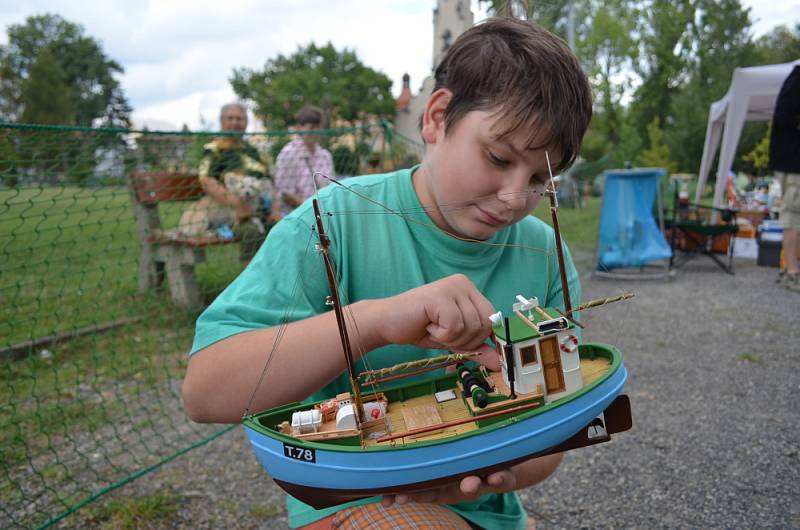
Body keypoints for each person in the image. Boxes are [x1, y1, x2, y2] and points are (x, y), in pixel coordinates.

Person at [183, 17, 592, 530]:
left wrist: (506, 470)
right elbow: (204, 392)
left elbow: (555, 430)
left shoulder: (543, 252)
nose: (515, 198)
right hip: (355, 502)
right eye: (497, 157)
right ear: (438, 118)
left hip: (483, 512)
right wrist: (370, 323)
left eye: (538, 179)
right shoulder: (331, 222)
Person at [197, 102, 272, 266]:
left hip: (260, 209)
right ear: (222, 122)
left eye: (239, 119)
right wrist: (236, 203)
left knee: (285, 226)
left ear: (245, 123)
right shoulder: (213, 149)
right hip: (230, 213)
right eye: (230, 118)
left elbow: (270, 181)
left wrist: (276, 210)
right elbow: (206, 180)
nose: (235, 123)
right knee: (251, 231)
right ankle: (252, 283)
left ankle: (281, 277)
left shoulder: (255, 151)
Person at [272, 105, 335, 220]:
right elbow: (285, 194)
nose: (315, 132)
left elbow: (331, 187)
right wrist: (314, 209)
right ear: (299, 128)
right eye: (311, 127)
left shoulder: (325, 155)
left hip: (324, 214)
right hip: (298, 216)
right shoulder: (288, 154)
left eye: (318, 127)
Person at [770, 65, 800, 292]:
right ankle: (791, 272)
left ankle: (791, 269)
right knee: (793, 217)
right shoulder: (797, 79)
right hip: (793, 164)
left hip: (792, 162)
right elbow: (783, 120)